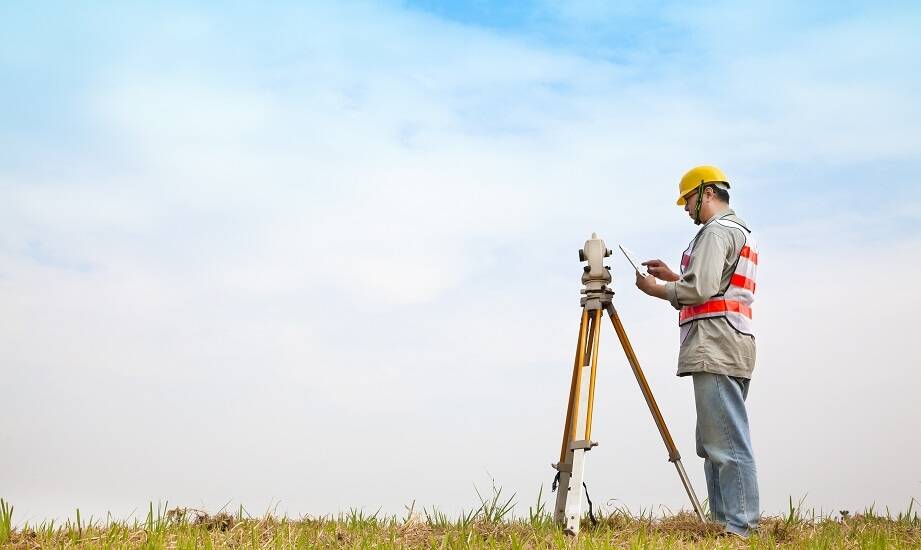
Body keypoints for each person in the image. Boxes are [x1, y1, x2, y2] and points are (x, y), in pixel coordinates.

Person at [634, 165, 760, 538]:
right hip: (730, 341)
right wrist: (676, 278)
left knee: (726, 442)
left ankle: (740, 528)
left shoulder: (716, 232)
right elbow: (714, 286)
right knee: (714, 441)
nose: (686, 208)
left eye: (688, 200)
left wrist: (657, 289)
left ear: (707, 192)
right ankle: (725, 523)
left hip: (716, 344)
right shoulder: (738, 231)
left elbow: (700, 290)